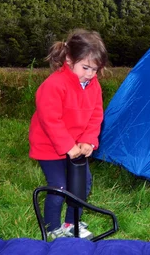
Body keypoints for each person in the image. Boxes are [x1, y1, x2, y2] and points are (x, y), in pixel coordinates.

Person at [29, 29, 107, 240]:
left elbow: (96, 115)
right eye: (86, 68)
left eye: (95, 69)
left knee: (82, 184)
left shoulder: (93, 86)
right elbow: (50, 120)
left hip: (76, 146)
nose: (90, 74)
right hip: (49, 147)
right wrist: (68, 146)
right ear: (70, 59)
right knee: (59, 187)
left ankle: (72, 223)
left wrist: (89, 141)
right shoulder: (54, 85)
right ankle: (53, 228)